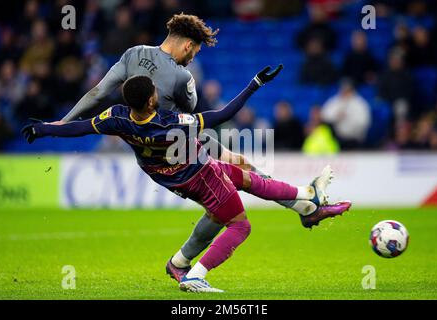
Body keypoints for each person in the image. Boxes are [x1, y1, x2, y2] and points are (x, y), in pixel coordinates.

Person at [53, 13, 346, 283]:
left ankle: (304, 205)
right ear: (187, 45)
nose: (193, 59)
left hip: (154, 161)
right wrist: (223, 147)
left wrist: (61, 123)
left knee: (233, 188)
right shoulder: (183, 79)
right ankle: (304, 205)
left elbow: (97, 92)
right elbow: (194, 125)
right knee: (232, 209)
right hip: (183, 161)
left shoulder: (133, 55)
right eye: (195, 52)